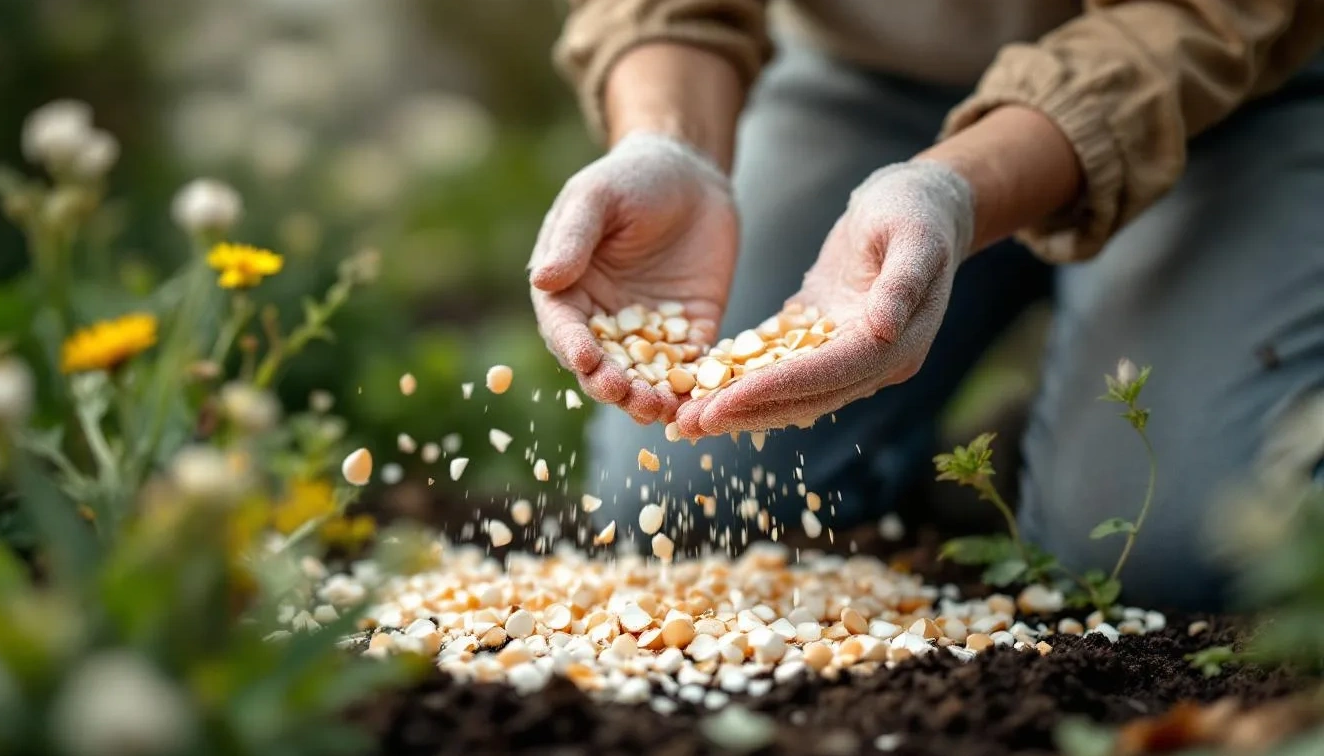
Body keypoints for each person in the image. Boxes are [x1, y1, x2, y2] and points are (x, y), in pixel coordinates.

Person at [527, 0, 1324, 611]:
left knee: (1160, 557)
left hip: (1232, 90)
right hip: (870, 85)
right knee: (682, 508)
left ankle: (1082, 433)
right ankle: (1005, 452)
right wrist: (669, 143)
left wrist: (958, 189)